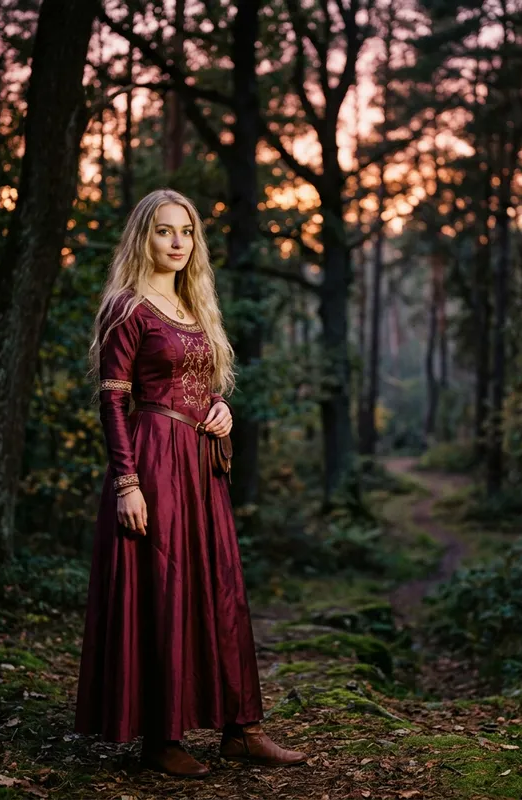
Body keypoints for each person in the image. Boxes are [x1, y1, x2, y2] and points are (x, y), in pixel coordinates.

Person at [74, 188, 306, 778]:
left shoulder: (192, 305)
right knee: (165, 591)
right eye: (164, 231)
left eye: (186, 232)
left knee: (219, 588)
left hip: (201, 465)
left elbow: (199, 386)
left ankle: (240, 728)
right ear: (142, 238)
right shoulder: (128, 308)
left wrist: (221, 409)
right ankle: (161, 736)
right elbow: (114, 402)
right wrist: (127, 481)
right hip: (154, 460)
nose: (177, 242)